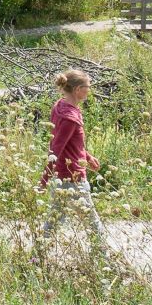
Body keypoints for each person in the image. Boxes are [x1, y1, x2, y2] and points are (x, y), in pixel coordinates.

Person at [45, 68, 102, 233]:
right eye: (88, 87)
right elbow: (56, 148)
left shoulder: (59, 106)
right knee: (94, 226)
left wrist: (88, 157)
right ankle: (102, 258)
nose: (89, 90)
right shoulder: (70, 117)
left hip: (61, 174)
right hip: (74, 178)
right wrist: (43, 180)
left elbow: (69, 144)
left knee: (53, 223)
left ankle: (38, 257)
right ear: (78, 90)